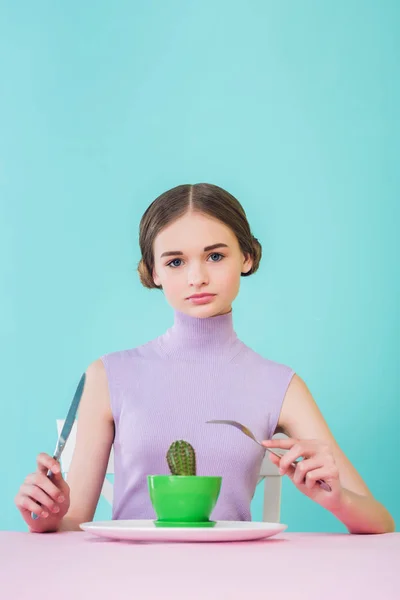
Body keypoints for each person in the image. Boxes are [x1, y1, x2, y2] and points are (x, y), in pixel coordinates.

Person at [15, 183, 394, 534]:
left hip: (236, 581)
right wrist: (47, 518)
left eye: (214, 255)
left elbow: (381, 522)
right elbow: (74, 522)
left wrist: (338, 499)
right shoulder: (106, 376)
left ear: (247, 257)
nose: (197, 277)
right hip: (127, 580)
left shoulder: (281, 385)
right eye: (176, 262)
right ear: (153, 272)